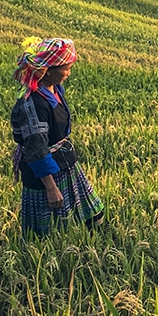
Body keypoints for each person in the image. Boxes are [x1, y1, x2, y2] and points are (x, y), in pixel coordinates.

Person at [10, 36, 105, 235]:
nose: (69, 73)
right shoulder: (33, 103)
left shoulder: (53, 89)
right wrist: (51, 188)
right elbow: (37, 149)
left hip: (66, 163)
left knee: (94, 216)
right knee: (46, 232)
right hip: (45, 174)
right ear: (47, 71)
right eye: (66, 68)